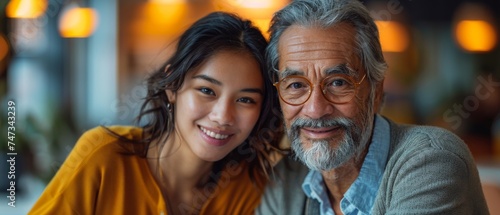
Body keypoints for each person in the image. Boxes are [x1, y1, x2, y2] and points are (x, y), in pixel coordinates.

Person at [29, 11, 282, 215]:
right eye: (207, 90)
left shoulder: (247, 189)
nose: (223, 116)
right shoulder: (104, 156)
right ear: (172, 86)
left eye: (246, 99)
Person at [256, 0, 490, 214]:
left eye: (338, 82)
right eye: (296, 85)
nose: (315, 109)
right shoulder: (286, 178)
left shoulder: (433, 161)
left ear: (376, 91)